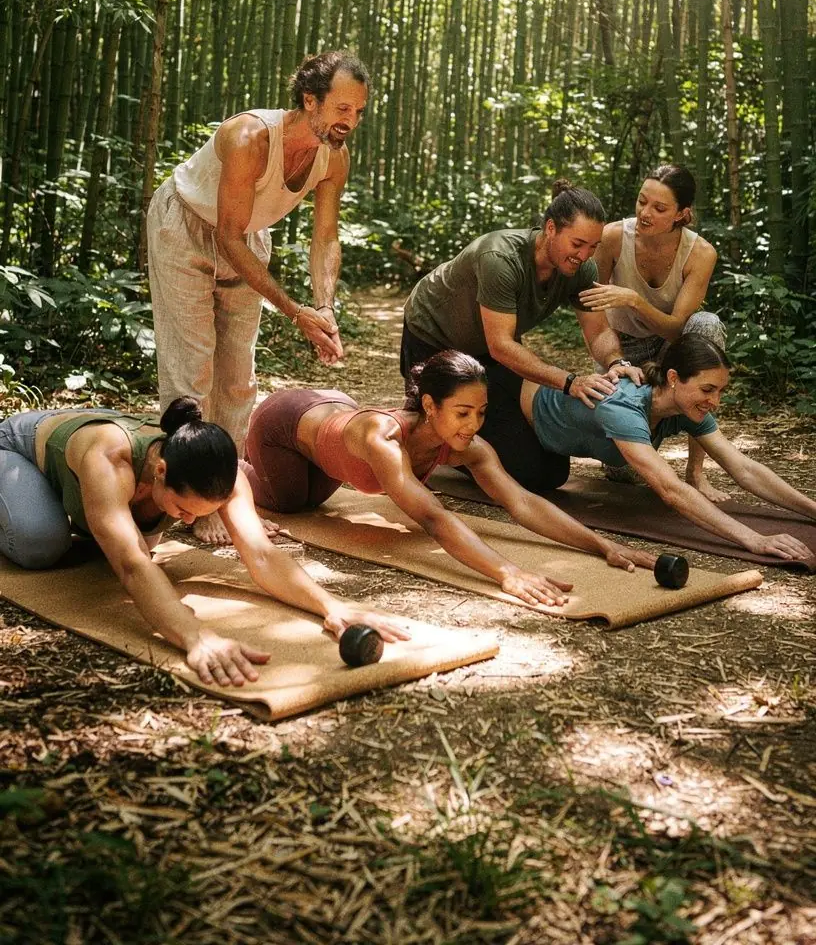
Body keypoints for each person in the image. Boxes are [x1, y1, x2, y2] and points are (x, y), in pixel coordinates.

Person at [0, 398, 408, 687]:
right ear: (159, 471)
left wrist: (331, 606)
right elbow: (133, 565)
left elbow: (262, 556)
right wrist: (195, 636)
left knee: (130, 536)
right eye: (183, 509)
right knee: (41, 544)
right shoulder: (109, 461)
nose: (190, 521)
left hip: (100, 475)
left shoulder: (223, 478)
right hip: (15, 446)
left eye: (199, 512)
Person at [209, 351, 656, 608]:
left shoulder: (468, 447)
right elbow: (434, 518)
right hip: (284, 424)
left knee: (313, 501)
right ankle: (228, 463)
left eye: (480, 413)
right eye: (461, 413)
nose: (472, 426)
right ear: (429, 406)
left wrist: (601, 545)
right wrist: (507, 572)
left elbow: (520, 502)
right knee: (290, 504)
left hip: (331, 415)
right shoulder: (382, 439)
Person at [147, 50, 369, 457]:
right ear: (309, 99)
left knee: (237, 377)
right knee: (192, 371)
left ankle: (225, 487)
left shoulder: (334, 156)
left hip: (247, 234)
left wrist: (324, 306)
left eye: (358, 111)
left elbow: (325, 237)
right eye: (342, 107)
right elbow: (227, 237)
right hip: (183, 224)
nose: (350, 121)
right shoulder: (250, 136)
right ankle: (189, 487)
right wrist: (295, 312)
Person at [400, 184, 641, 493]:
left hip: (486, 353)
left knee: (549, 472)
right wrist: (570, 382)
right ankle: (442, 445)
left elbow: (598, 330)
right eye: (578, 244)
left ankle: (462, 447)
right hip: (433, 339)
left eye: (593, 247)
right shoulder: (500, 257)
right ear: (551, 228)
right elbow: (501, 346)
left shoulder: (581, 268)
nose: (584, 256)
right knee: (431, 437)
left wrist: (616, 361)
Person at [518, 336, 816, 566]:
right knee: (521, 475)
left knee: (548, 476)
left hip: (549, 443)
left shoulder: (684, 406)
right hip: (517, 412)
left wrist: (812, 510)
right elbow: (670, 489)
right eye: (707, 389)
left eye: (720, 391)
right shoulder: (623, 407)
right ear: (673, 378)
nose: (715, 401)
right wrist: (754, 540)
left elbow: (742, 467)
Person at [579, 164, 727, 498]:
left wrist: (634, 300)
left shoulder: (700, 253)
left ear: (682, 214)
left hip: (669, 347)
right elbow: (591, 311)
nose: (645, 213)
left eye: (659, 208)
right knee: (622, 471)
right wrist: (612, 360)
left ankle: (695, 472)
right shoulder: (614, 237)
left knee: (707, 325)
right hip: (619, 350)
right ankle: (636, 446)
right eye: (642, 201)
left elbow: (677, 328)